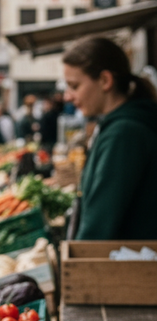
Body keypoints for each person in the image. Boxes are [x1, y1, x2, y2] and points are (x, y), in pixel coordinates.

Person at [62, 36, 157, 240]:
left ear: (105, 80)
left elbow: (98, 226)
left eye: (74, 86)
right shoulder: (121, 127)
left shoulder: (123, 134)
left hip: (129, 266)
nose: (67, 97)